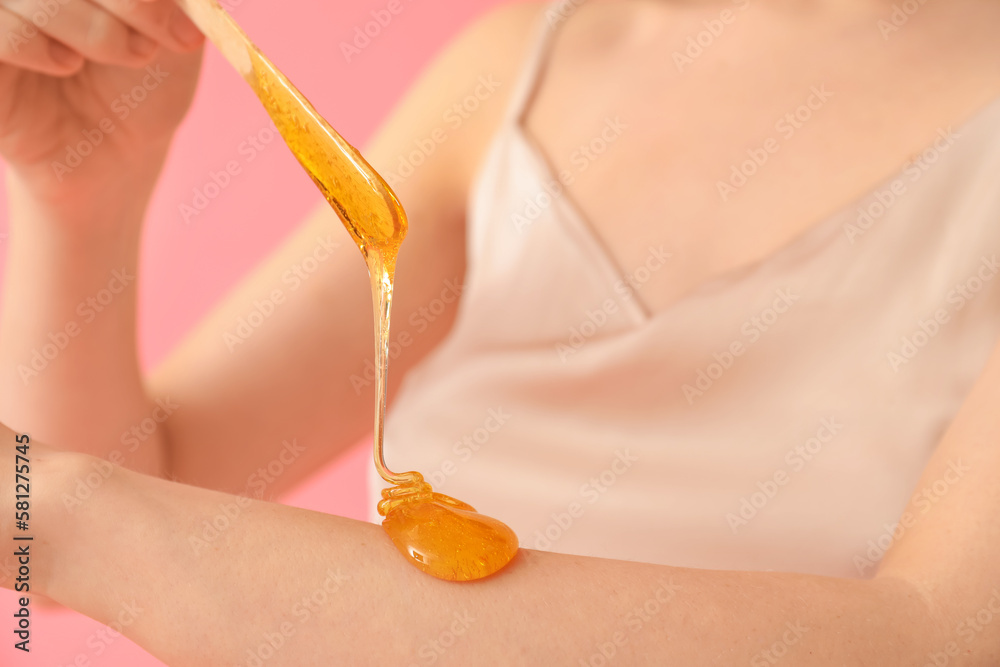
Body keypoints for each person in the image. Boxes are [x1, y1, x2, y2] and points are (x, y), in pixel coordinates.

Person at [1, 0, 1000, 663]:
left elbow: (935, 638)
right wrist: (83, 193)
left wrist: (76, 517)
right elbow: (143, 481)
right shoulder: (525, 60)